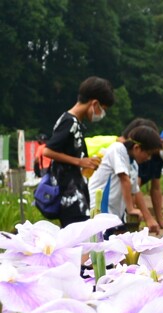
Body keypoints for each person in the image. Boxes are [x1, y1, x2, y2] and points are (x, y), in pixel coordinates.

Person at [40, 76, 115, 227]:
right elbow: (47, 151)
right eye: (102, 110)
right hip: (69, 195)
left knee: (80, 238)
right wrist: (79, 161)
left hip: (76, 192)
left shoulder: (77, 123)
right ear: (94, 103)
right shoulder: (69, 121)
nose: (101, 114)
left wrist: (87, 163)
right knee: (77, 239)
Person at [87, 125, 163, 225]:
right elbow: (124, 179)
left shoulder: (134, 165)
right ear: (137, 148)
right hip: (100, 208)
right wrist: (131, 209)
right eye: (148, 154)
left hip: (114, 213)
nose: (148, 158)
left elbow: (135, 191)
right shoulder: (117, 149)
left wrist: (148, 218)